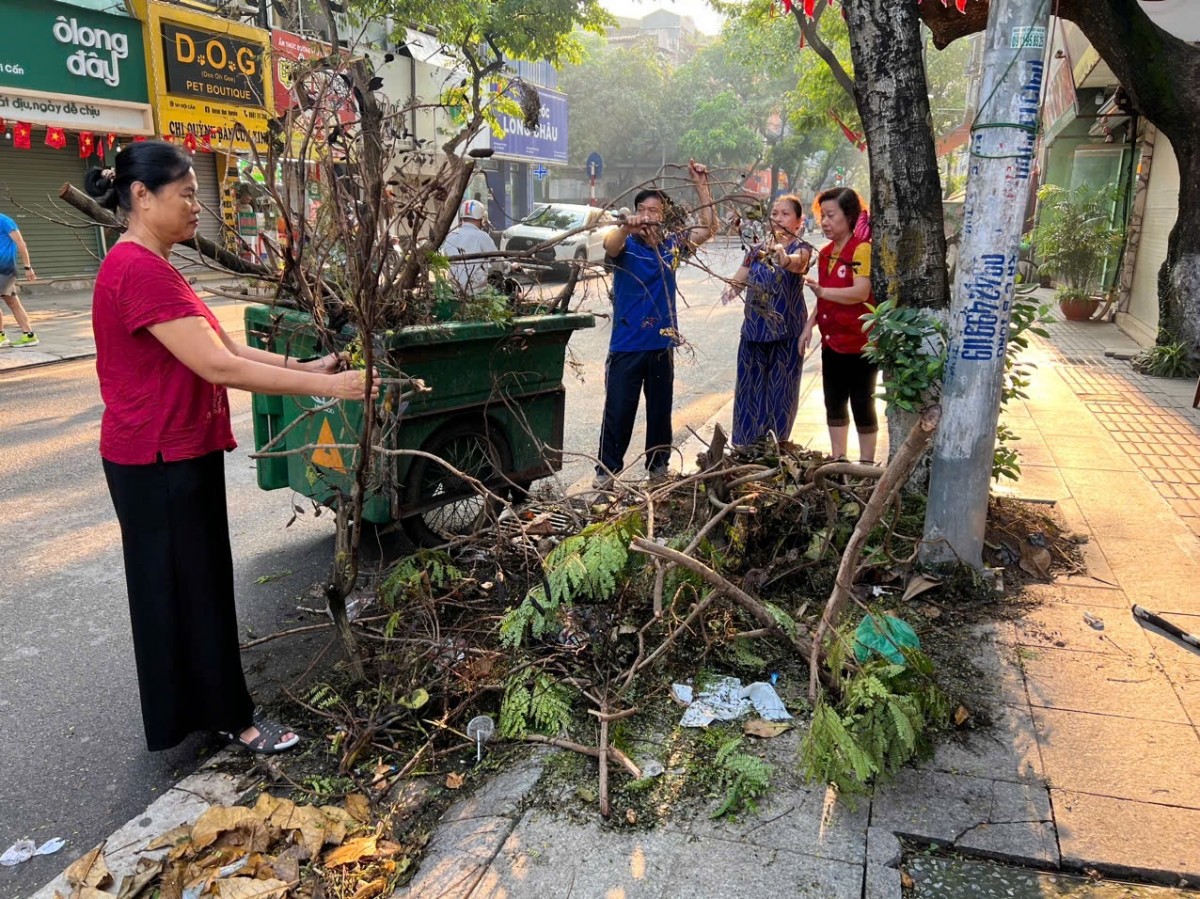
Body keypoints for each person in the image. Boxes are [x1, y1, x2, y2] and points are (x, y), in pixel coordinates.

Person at [84, 141, 379, 754]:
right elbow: (218, 366)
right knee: (192, 590)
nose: (198, 206)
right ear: (142, 195)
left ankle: (194, 714)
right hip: (158, 458)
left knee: (186, 586)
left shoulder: (154, 263)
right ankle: (231, 719)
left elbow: (226, 346)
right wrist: (332, 385)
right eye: (186, 194)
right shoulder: (137, 269)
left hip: (163, 454)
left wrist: (309, 363)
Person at [594, 160, 717, 487]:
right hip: (627, 344)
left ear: (664, 216)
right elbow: (609, 245)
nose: (650, 215)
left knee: (660, 414)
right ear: (636, 213)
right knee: (618, 411)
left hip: (661, 343)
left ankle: (658, 467)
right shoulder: (626, 246)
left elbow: (708, 229)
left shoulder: (673, 247)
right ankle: (606, 472)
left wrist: (702, 186)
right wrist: (625, 227)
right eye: (645, 209)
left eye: (657, 210)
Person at [722, 195, 814, 446]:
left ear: (798, 221)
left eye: (785, 214)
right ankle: (745, 448)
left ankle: (774, 449)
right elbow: (740, 278)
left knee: (780, 394)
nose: (778, 218)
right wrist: (730, 290)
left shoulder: (801, 248)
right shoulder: (757, 248)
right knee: (748, 393)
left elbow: (798, 264)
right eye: (774, 213)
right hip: (753, 332)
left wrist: (783, 258)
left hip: (786, 335)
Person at [802, 187, 878, 465]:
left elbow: (860, 292)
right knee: (833, 402)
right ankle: (839, 461)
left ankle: (867, 465)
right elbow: (824, 298)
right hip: (832, 342)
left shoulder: (861, 248)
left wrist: (823, 293)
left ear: (849, 215)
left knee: (862, 403)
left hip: (861, 343)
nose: (825, 222)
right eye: (823, 215)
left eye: (831, 215)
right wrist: (808, 325)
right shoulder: (824, 254)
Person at [442, 199, 498, 295]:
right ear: (481, 218)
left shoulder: (451, 236)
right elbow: (497, 261)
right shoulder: (482, 236)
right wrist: (510, 267)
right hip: (477, 291)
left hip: (455, 290)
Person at [0, 211, 39, 348]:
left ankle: (28, 335)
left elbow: (21, 244)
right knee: (12, 302)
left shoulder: (5, 221)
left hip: (5, 268)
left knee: (13, 303)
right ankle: (27, 334)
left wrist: (28, 267)